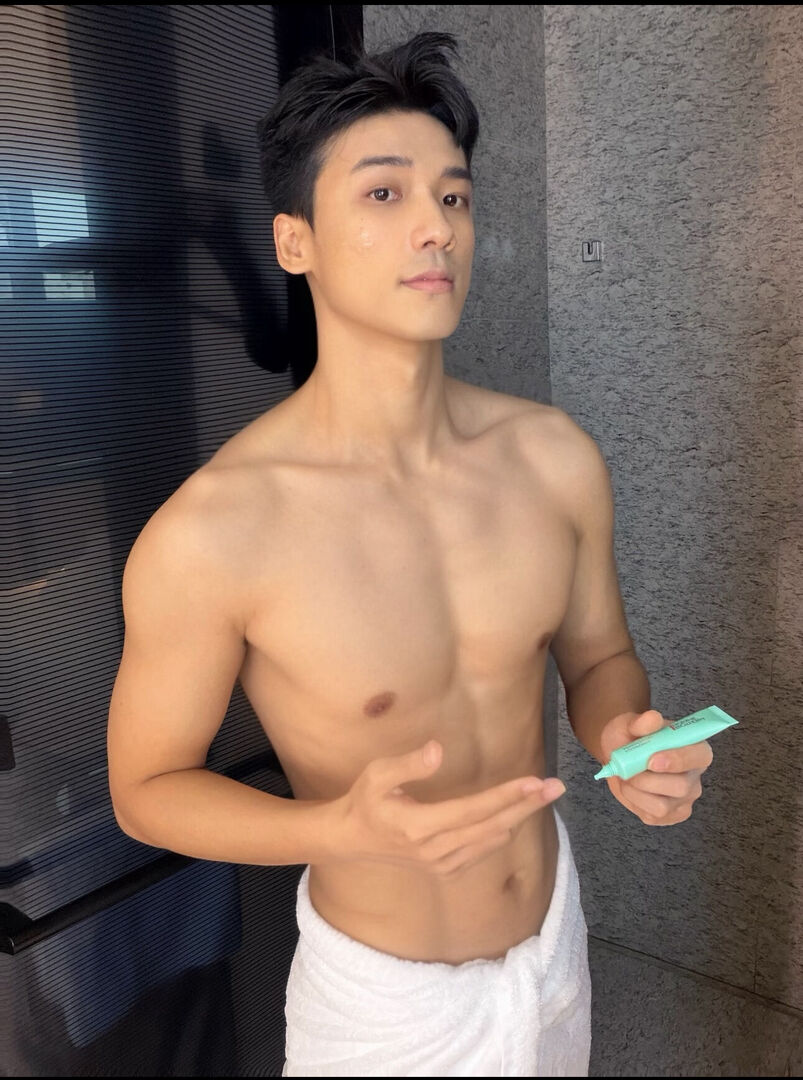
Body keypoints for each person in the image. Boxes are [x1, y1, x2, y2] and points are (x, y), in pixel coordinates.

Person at [108, 30, 650, 1077]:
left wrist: (626, 735)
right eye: (384, 194)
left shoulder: (552, 458)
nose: (434, 227)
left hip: (550, 957)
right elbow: (147, 789)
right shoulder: (214, 530)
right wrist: (338, 830)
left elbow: (599, 660)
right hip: (386, 1012)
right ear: (294, 242)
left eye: (452, 196)